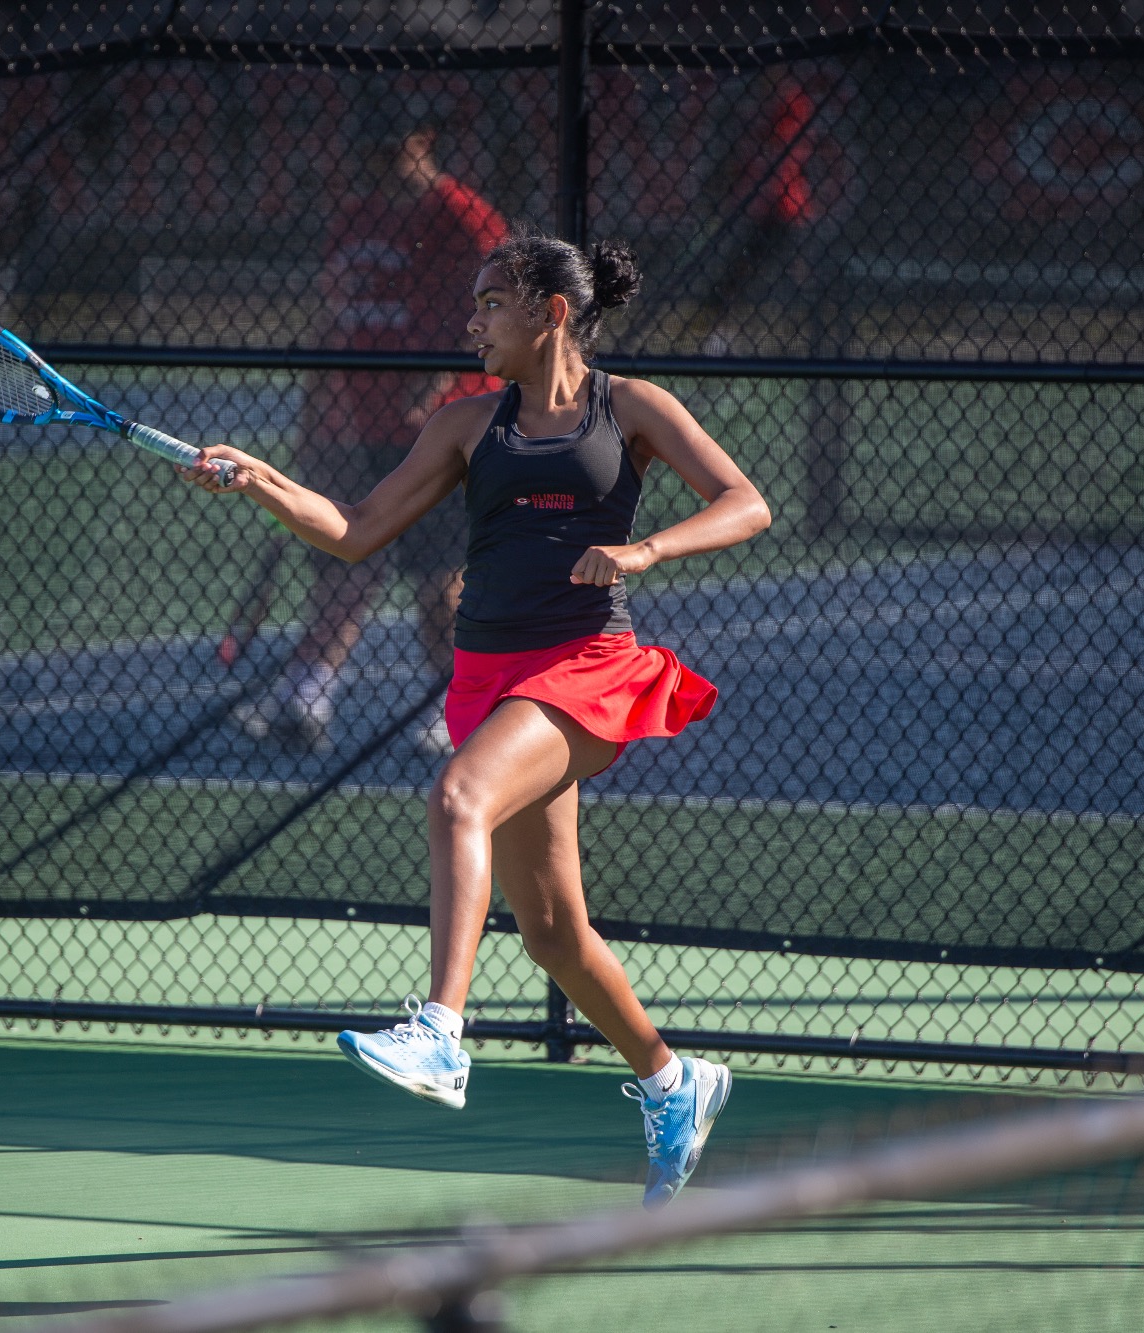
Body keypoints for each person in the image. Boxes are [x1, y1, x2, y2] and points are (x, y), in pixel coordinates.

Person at [179, 229, 773, 1208]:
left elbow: (745, 502)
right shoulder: (464, 425)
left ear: (550, 311)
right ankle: (676, 1082)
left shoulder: (632, 409)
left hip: (588, 666)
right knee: (550, 930)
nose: (471, 319)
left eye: (491, 301)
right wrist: (259, 479)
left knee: (458, 796)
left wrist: (647, 550)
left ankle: (440, 1033)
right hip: (486, 678)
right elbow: (354, 531)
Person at [231, 111, 508, 755]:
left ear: (425, 141)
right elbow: (335, 318)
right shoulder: (354, 216)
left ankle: (457, 707)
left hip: (443, 429)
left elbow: (490, 315)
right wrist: (317, 413)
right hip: (356, 425)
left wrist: (432, 386)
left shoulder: (465, 219)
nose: (378, 163)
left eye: (390, 149)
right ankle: (306, 700)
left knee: (439, 580)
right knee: (341, 564)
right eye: (368, 151)